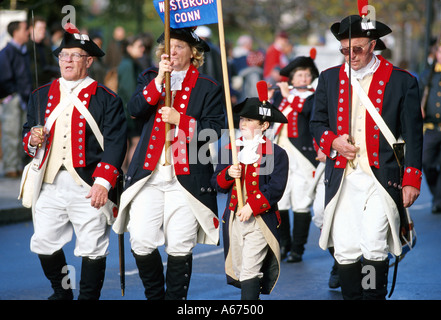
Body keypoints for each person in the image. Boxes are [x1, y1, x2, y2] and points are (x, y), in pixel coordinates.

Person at [310, 11, 423, 300]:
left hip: (381, 177)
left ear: (373, 44)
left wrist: (412, 178)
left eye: (357, 49)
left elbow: (413, 134)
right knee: (346, 248)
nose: (350, 56)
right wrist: (333, 141)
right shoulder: (328, 78)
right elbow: (316, 122)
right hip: (343, 176)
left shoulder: (401, 81)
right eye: (344, 50)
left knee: (373, 244)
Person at [112, 27, 225, 300]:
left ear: (193, 54)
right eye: (168, 47)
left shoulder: (208, 86)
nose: (171, 52)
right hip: (149, 175)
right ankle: (155, 296)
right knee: (140, 238)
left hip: (187, 177)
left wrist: (181, 121)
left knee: (179, 244)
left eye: (179, 47)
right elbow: (135, 110)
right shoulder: (150, 77)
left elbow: (214, 131)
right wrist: (159, 84)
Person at [22, 23, 127, 300]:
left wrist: (103, 183)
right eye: (63, 55)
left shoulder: (107, 99)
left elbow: (116, 142)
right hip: (49, 182)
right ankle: (62, 291)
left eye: (74, 56)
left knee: (92, 245)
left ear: (89, 61)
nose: (67, 61)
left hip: (89, 184)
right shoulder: (40, 95)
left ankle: (88, 297)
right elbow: (27, 134)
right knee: (44, 242)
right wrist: (32, 139)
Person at [212, 91, 289, 300]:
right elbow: (217, 184)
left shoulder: (277, 153)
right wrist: (228, 174)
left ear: (264, 125)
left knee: (250, 270)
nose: (243, 123)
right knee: (240, 267)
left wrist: (251, 206)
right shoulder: (231, 149)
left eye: (249, 119)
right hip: (234, 220)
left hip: (261, 220)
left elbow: (275, 188)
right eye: (242, 119)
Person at [271, 49, 320, 262]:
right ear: (291, 77)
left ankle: (297, 249)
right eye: (300, 75)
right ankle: (283, 244)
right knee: (280, 201)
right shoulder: (283, 95)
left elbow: (306, 111)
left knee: (301, 202)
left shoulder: (314, 96)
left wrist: (289, 95)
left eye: (307, 74)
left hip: (303, 156)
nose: (304, 78)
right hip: (281, 155)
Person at [0, 20, 32, 178]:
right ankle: (10, 166)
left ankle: (18, 164)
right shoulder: (7, 52)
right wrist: (14, 93)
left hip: (24, 98)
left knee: (21, 132)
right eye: (26, 29)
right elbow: (4, 77)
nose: (28, 32)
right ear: (16, 32)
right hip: (12, 97)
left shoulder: (23, 51)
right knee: (11, 132)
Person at [117, 35, 145, 172]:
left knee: (130, 142)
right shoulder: (128, 65)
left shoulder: (130, 63)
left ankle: (125, 173)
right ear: (129, 48)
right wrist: (135, 108)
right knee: (134, 140)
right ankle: (128, 172)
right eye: (139, 46)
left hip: (125, 109)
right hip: (128, 110)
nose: (143, 48)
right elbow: (129, 89)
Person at [419, 42, 441, 214]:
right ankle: (436, 194)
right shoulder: (428, 74)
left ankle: (438, 200)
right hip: (431, 128)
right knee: (427, 162)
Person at [27, 15, 60, 87]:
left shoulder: (46, 48)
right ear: (31, 29)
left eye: (44, 28)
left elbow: (54, 64)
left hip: (46, 86)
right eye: (40, 28)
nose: (43, 31)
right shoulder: (26, 47)